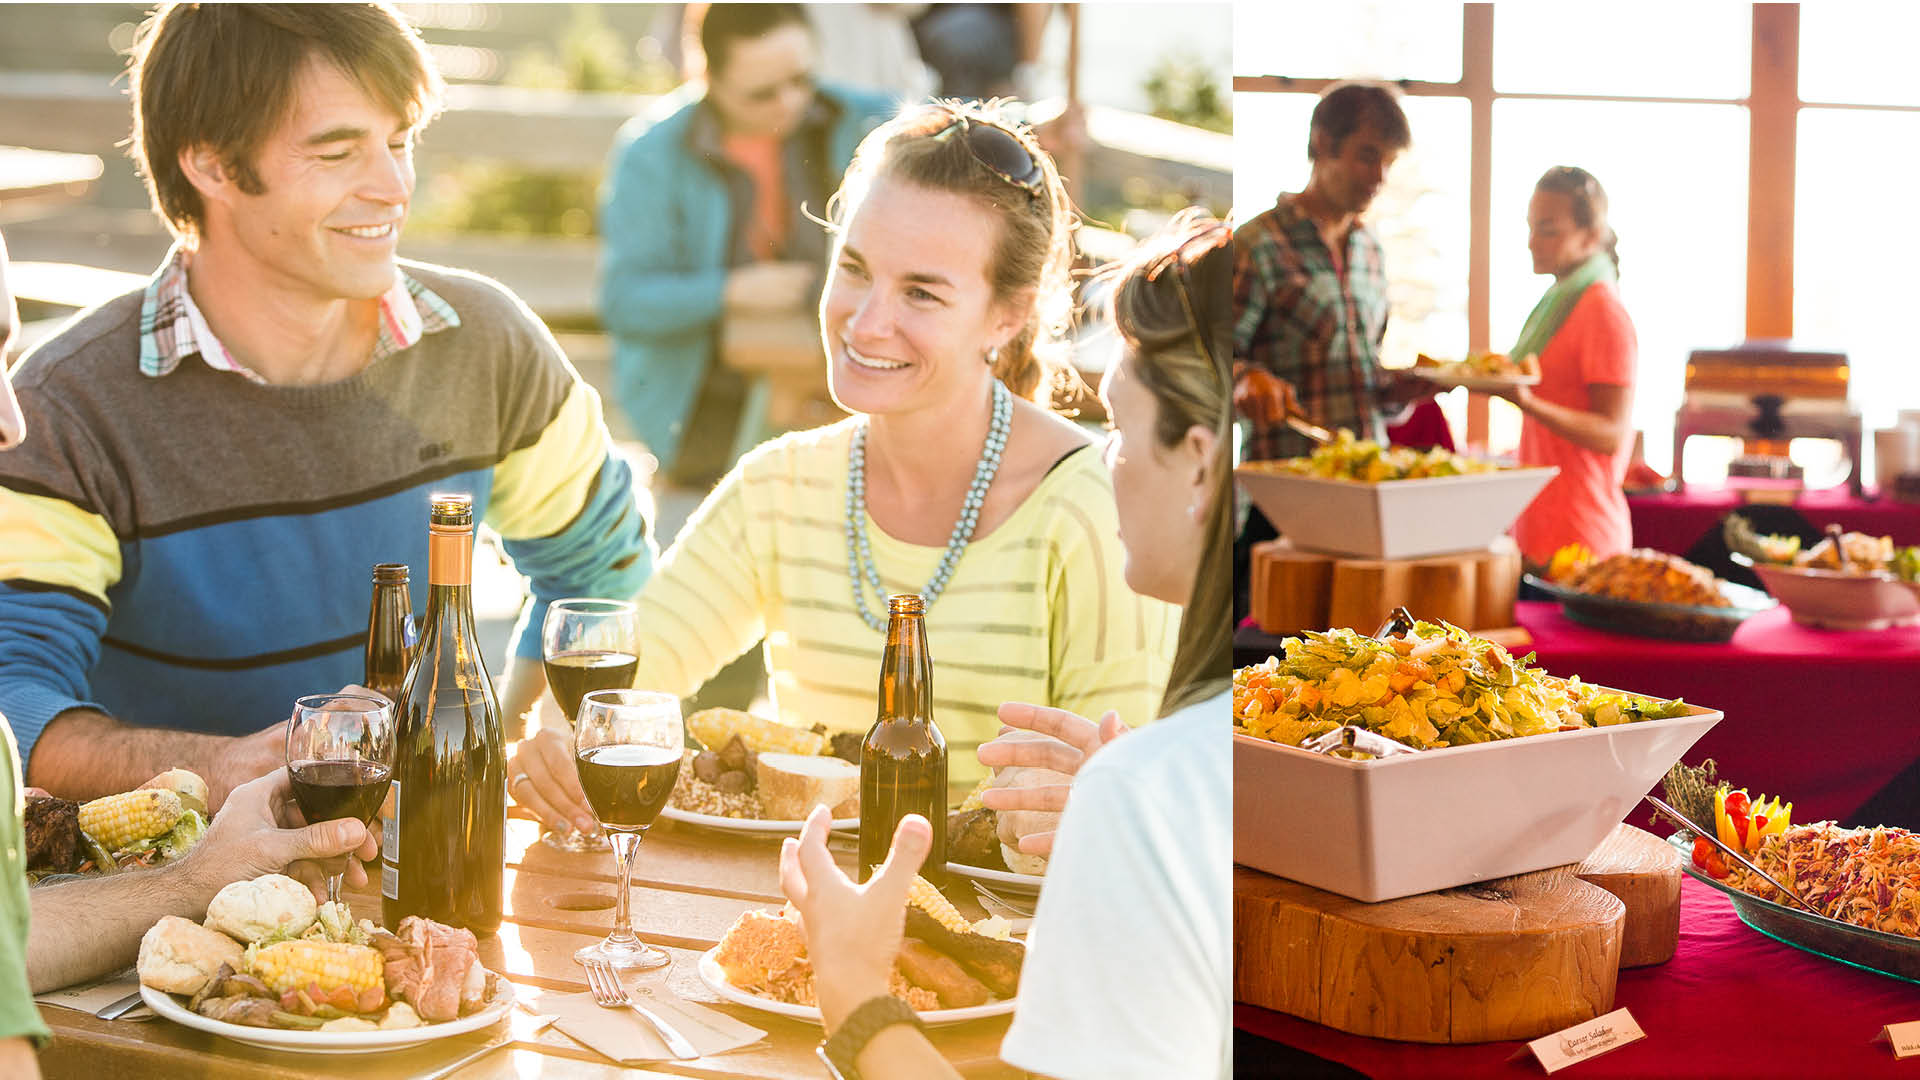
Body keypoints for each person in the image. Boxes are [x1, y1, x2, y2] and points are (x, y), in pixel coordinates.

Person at [0, 3, 654, 809]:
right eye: (339, 151)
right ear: (210, 163)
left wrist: (512, 746)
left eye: (400, 141)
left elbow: (602, 573)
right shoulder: (61, 407)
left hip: (423, 877)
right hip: (165, 903)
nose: (394, 186)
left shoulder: (489, 345)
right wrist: (223, 772)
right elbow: (12, 702)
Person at [510, 99, 1181, 835]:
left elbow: (1119, 796)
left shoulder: (1090, 509)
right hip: (806, 914)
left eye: (921, 292)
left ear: (1006, 315)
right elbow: (630, 676)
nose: (865, 322)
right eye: (854, 269)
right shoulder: (779, 486)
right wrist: (556, 736)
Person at [778, 209, 1234, 1079]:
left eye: (1121, 431)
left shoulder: (1154, 790)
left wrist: (853, 990)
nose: (1105, 461)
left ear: (1202, 463)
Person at [600, 3, 895, 484]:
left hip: (842, 382)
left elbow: (944, 116)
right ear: (707, 77)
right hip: (709, 405)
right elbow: (625, 301)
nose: (790, 102)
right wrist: (730, 291)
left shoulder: (857, 117)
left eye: (802, 79)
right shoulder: (650, 155)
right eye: (762, 94)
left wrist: (1038, 124)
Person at [1232, 80, 1427, 616]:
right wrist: (1245, 378)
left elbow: (1369, 379)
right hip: (1284, 510)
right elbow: (1209, 365)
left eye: (1387, 162)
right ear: (1322, 143)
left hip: (1367, 505)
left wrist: (1402, 389)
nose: (1379, 177)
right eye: (1368, 156)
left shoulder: (1371, 252)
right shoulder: (1257, 245)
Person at [1500, 166, 1636, 566]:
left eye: (1548, 229)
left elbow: (1611, 434)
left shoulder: (1602, 310)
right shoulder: (1559, 304)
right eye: (1530, 227)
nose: (1531, 242)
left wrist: (1526, 402)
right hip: (1538, 532)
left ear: (1591, 236)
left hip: (1581, 540)